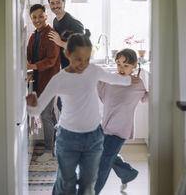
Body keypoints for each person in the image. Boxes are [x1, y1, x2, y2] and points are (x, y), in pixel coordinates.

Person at [26, 32, 140, 195]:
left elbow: (117, 79)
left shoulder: (94, 70)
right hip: (68, 139)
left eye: (87, 58)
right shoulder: (58, 79)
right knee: (66, 184)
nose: (83, 64)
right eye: (78, 58)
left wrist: (131, 79)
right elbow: (36, 110)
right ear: (67, 54)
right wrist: (29, 104)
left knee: (88, 186)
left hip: (93, 138)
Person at [94, 49, 148, 194]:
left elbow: (147, 98)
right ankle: (127, 173)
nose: (121, 68)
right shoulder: (110, 80)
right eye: (118, 64)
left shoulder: (137, 83)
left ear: (134, 65)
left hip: (120, 130)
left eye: (125, 65)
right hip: (105, 126)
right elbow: (99, 90)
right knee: (104, 155)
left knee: (103, 162)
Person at [26, 4, 60, 162]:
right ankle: (55, 147)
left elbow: (52, 60)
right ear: (31, 18)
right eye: (34, 17)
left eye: (40, 16)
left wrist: (33, 66)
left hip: (49, 82)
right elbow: (28, 56)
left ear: (46, 17)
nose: (37, 20)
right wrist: (29, 69)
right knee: (49, 115)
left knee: (46, 116)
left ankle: (48, 151)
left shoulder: (50, 34)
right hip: (38, 81)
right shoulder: (34, 35)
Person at [47, 0, 85, 112]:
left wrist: (60, 43)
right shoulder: (55, 21)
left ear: (64, 3)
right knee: (62, 104)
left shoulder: (73, 23)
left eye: (58, 2)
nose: (55, 6)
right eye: (52, 3)